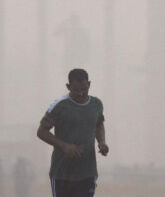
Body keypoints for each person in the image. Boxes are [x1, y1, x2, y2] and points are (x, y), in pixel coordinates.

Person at [36, 68, 110, 197]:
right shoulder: (59, 106)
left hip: (87, 171)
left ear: (89, 84)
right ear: (68, 86)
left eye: (84, 89)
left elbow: (99, 124)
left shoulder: (96, 104)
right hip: (62, 173)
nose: (81, 93)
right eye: (76, 90)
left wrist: (102, 142)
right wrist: (64, 146)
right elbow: (41, 132)